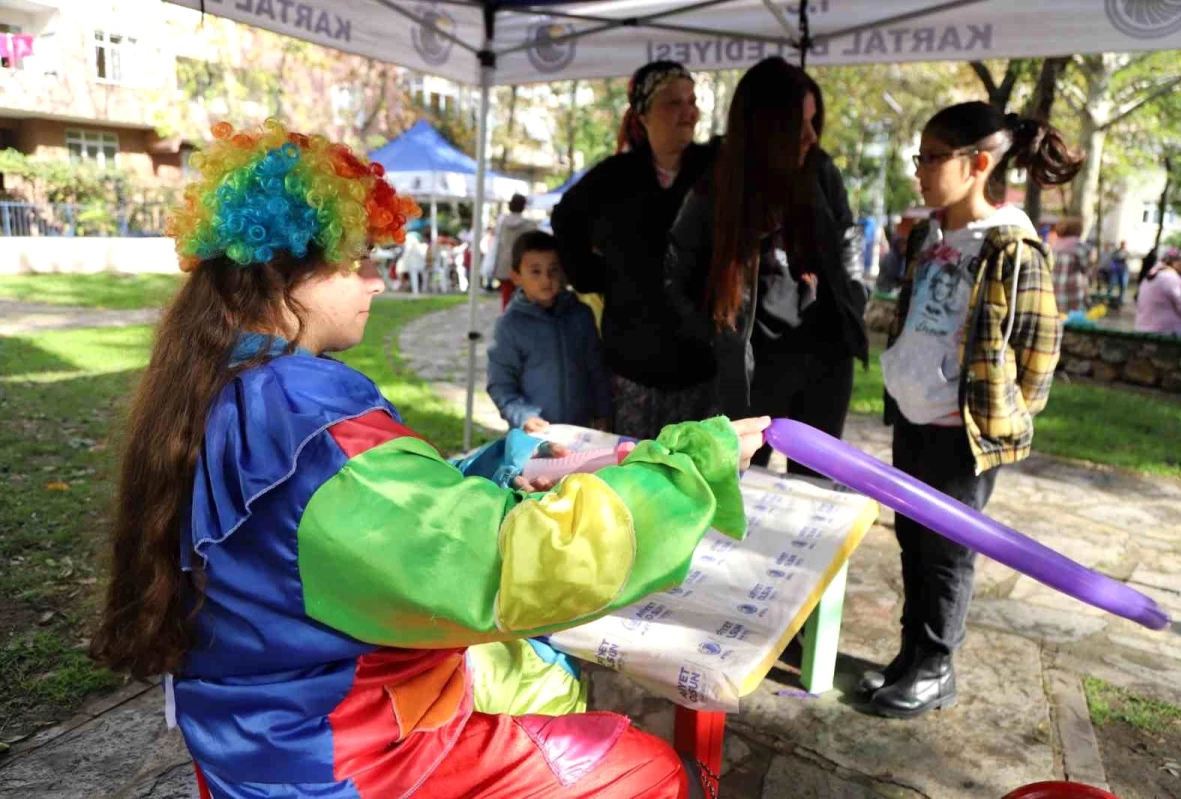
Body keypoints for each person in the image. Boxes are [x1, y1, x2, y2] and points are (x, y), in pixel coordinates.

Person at [87, 119, 771, 798]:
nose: (377, 281)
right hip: (349, 760)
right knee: (646, 765)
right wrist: (688, 467)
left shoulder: (217, 381)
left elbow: (352, 533)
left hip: (254, 738)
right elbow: (513, 565)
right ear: (286, 270)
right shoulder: (310, 424)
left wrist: (492, 466)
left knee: (531, 675)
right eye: (360, 260)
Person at [869, 102, 1082, 718]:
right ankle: (912, 657)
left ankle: (937, 669)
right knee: (913, 541)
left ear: (978, 163)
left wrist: (1006, 413)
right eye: (921, 157)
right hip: (913, 419)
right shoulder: (929, 233)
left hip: (960, 436)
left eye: (932, 158)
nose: (920, 171)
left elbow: (1040, 347)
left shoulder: (1012, 246)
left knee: (947, 554)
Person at [662, 59, 868, 475]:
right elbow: (674, 277)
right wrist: (717, 336)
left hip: (825, 361)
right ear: (766, 126)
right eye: (799, 124)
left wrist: (855, 295)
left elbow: (848, 237)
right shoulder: (716, 189)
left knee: (815, 490)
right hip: (753, 370)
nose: (811, 136)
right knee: (740, 487)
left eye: (814, 122)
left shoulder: (820, 170)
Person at [553, 60, 719, 441]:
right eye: (674, 102)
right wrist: (591, 275)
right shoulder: (615, 176)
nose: (688, 111)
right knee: (636, 475)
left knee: (697, 476)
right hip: (633, 366)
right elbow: (565, 218)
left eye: (692, 101)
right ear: (643, 115)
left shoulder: (714, 170)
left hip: (701, 364)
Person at [487, 230, 612, 433]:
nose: (546, 279)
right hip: (534, 438)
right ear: (516, 276)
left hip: (582, 432)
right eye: (535, 271)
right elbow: (500, 384)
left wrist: (603, 413)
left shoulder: (581, 315)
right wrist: (523, 417)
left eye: (553, 270)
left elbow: (597, 369)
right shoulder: (510, 326)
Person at [1136, 246, 1181, 335]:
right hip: (1164, 331)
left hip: (1143, 327)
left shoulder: (1153, 274)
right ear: (1176, 262)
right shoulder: (1171, 277)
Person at [492, 193, 539, 310]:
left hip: (504, 265)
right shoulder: (530, 225)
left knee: (506, 298)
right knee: (524, 299)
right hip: (523, 266)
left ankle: (506, 321)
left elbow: (498, 244)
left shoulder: (502, 224)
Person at [1105, 240, 1130, 306]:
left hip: (1123, 271)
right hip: (1116, 271)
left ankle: (1120, 299)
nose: (1123, 246)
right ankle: (1108, 298)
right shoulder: (1116, 252)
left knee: (1123, 286)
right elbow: (1113, 259)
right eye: (1122, 244)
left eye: (1124, 244)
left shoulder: (1127, 253)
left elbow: (1127, 261)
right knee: (1112, 284)